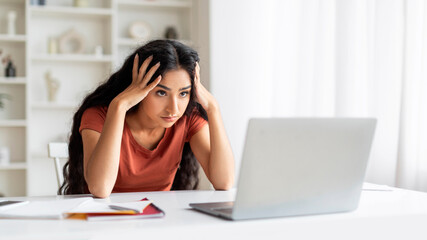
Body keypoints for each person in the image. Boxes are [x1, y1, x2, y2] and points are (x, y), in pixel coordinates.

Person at [58, 40, 234, 198]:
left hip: (158, 219)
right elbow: (100, 188)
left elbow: (224, 182)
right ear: (138, 87)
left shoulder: (188, 119)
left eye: (183, 93)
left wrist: (213, 109)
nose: (173, 108)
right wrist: (118, 106)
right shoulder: (100, 115)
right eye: (161, 92)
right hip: (104, 222)